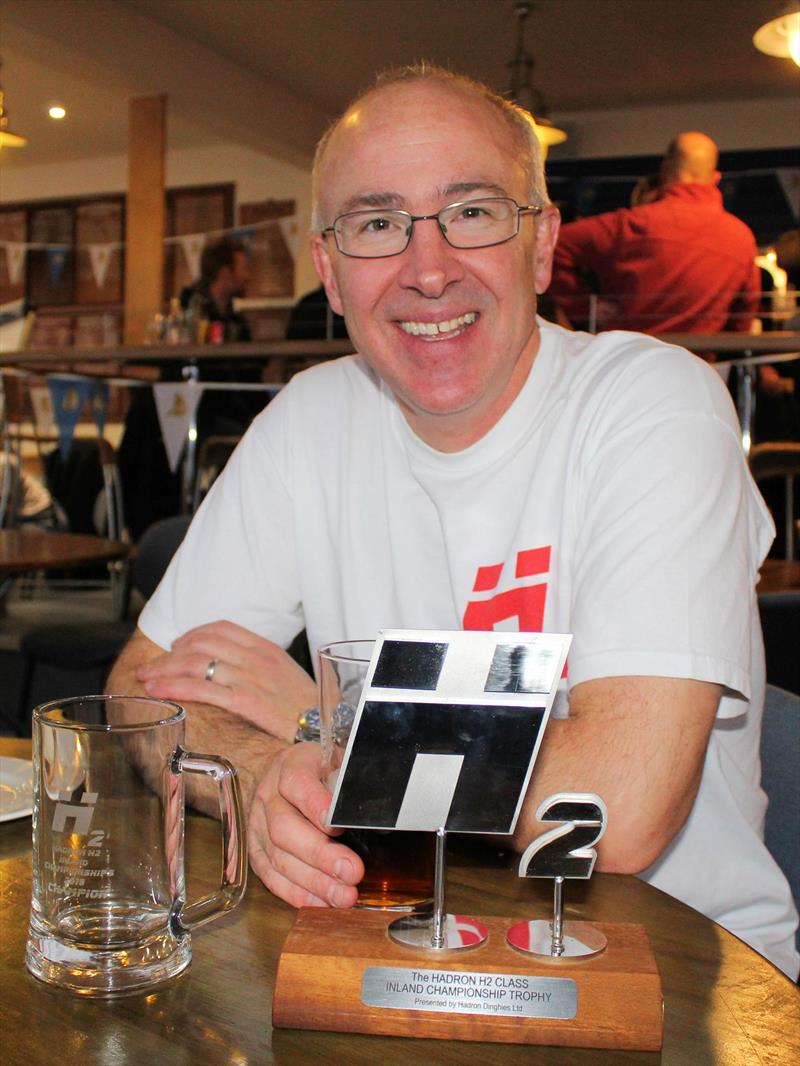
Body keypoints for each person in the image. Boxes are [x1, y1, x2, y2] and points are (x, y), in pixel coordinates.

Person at [107, 67, 799, 979]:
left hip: (677, 974)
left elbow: (614, 812)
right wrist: (259, 766)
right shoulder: (310, 420)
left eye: (472, 213)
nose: (428, 270)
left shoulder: (655, 403)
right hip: (387, 952)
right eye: (378, 223)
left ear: (542, 245)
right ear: (330, 270)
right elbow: (138, 695)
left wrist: (330, 726)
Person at [548, 131, 761, 335]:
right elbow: (743, 317)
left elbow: (553, 244)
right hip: (697, 364)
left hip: (628, 361)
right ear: (716, 178)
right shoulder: (741, 238)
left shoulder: (629, 224)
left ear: (665, 169)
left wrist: (584, 305)